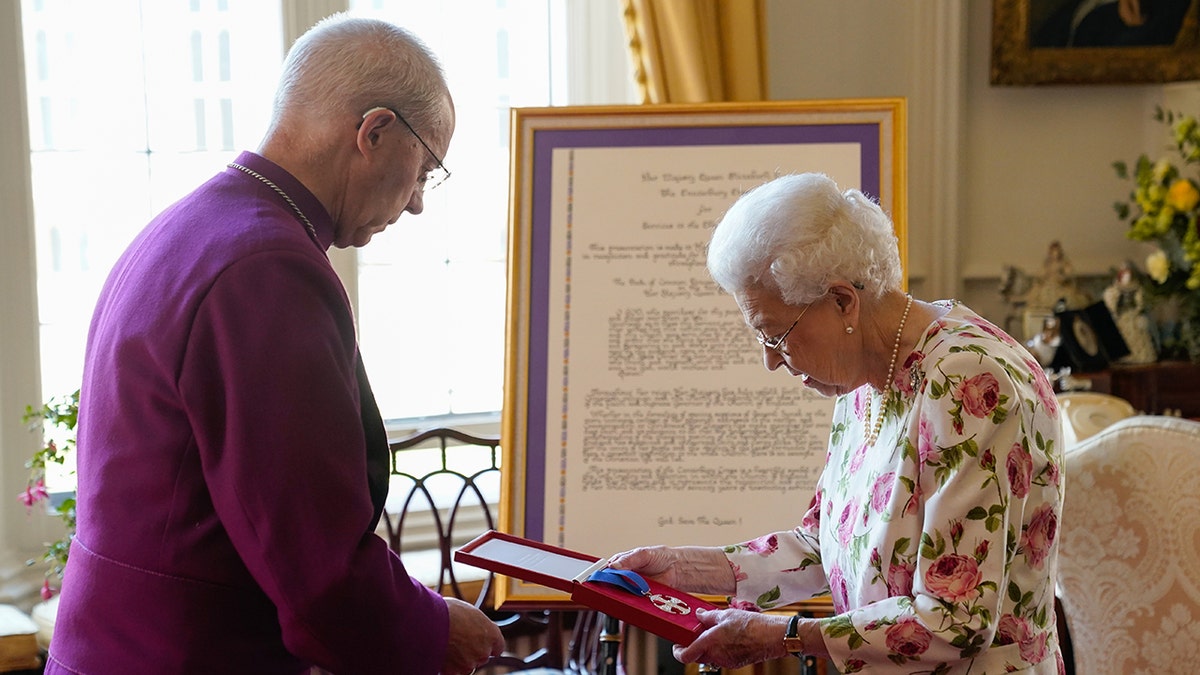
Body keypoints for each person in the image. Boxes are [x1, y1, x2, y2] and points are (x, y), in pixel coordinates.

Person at [45, 14, 504, 675]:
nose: (416, 205)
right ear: (374, 132)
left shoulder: (192, 224)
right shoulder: (267, 267)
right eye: (426, 170)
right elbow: (314, 564)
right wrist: (433, 630)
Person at [608, 173, 1065, 673]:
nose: (771, 361)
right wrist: (686, 567)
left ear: (843, 301)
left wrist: (785, 637)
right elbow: (824, 544)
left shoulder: (968, 381)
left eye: (776, 335)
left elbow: (956, 619)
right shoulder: (868, 371)